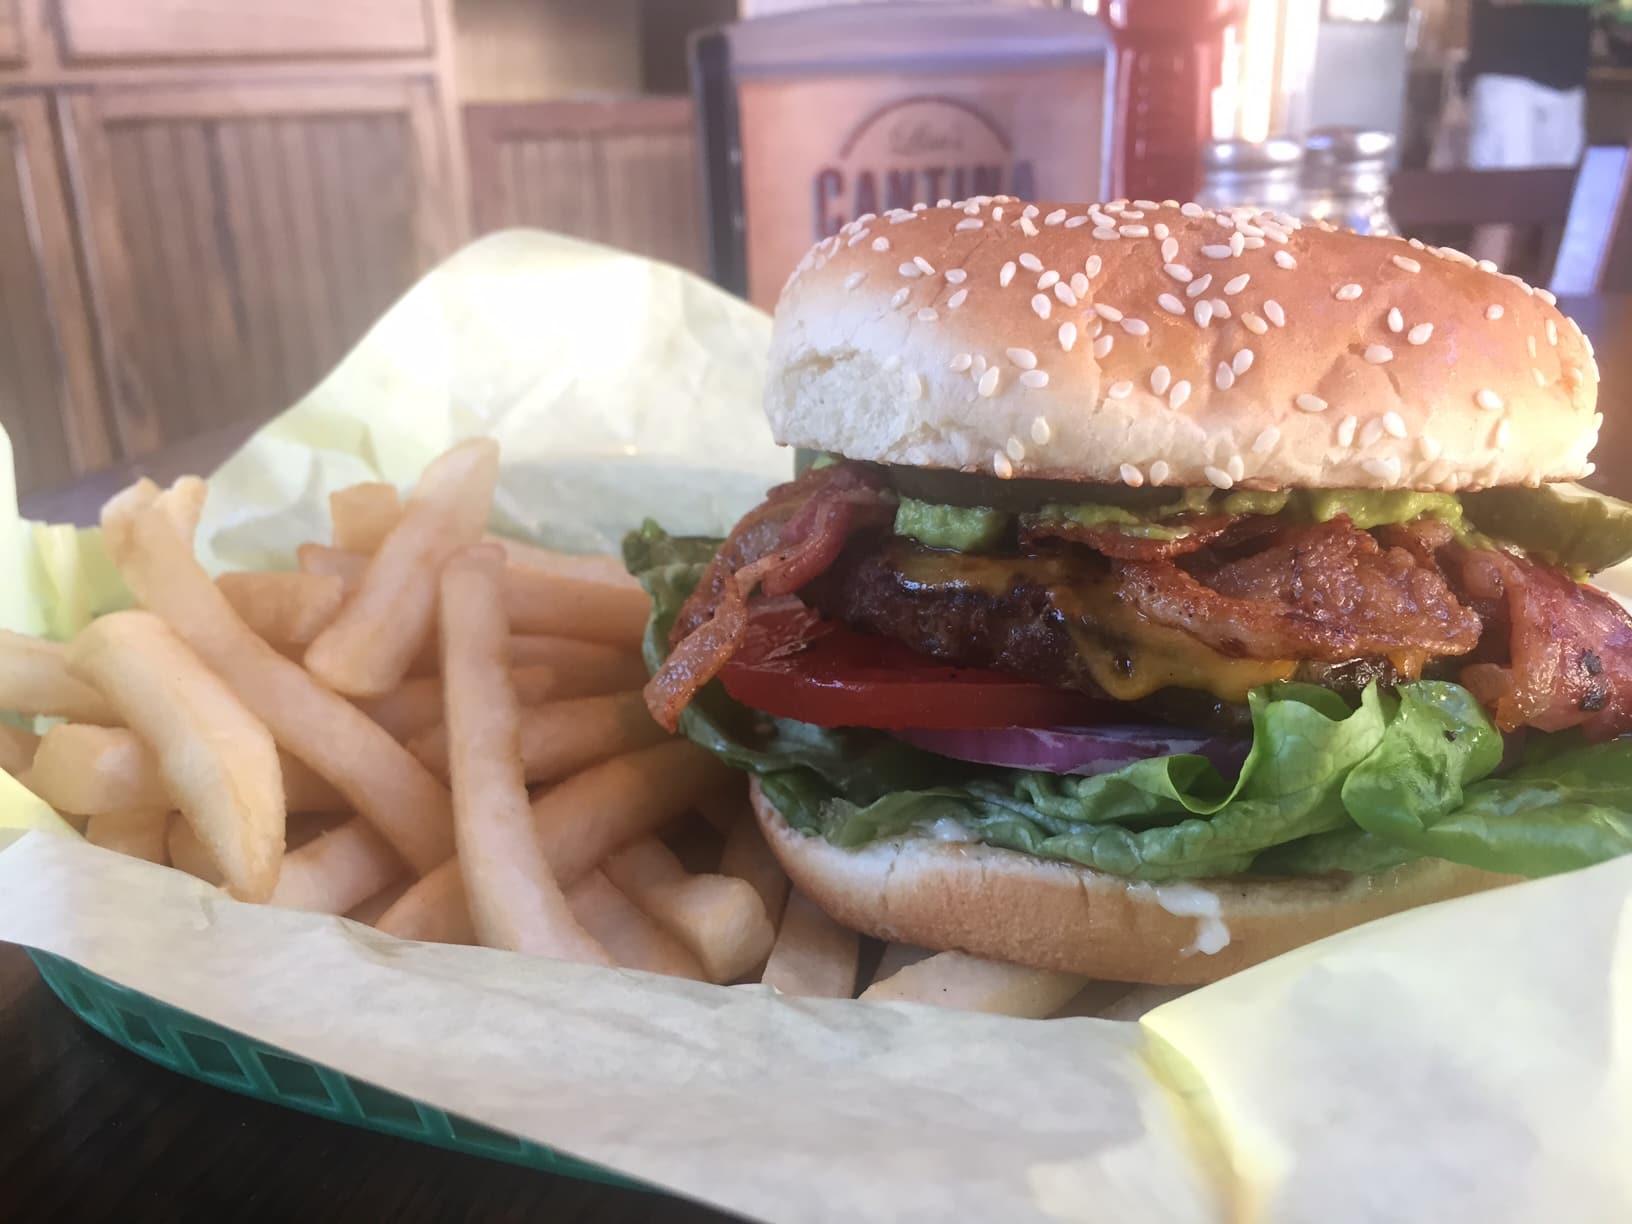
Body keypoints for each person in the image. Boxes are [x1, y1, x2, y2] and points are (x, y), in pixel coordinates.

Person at [1464, 0, 1596, 267]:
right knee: (1499, 207)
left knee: (1554, 207)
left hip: (1568, 73)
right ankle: (1481, 292)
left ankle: (1528, 294)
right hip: (1507, 72)